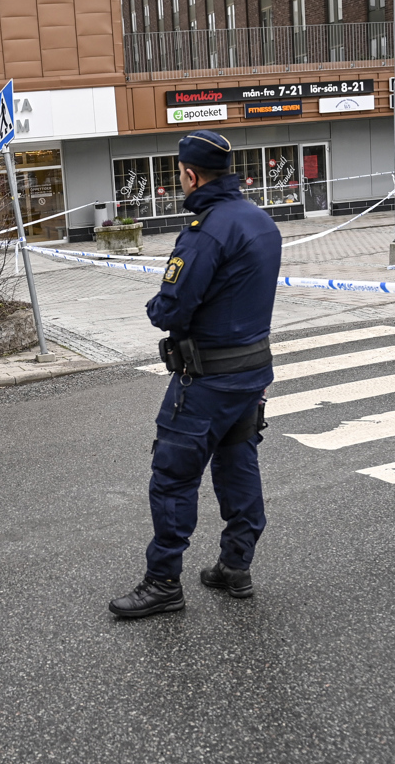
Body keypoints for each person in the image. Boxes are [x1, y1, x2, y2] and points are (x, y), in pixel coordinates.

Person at [109, 130, 282, 619]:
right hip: (252, 371)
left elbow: (170, 307)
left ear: (189, 174)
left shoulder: (206, 230)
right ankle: (236, 565)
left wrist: (155, 304)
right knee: (237, 463)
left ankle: (163, 582)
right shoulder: (260, 220)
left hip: (206, 378)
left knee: (172, 476)